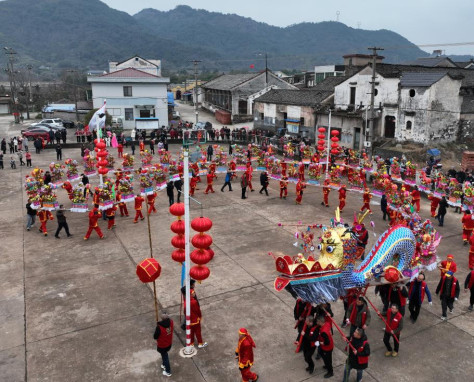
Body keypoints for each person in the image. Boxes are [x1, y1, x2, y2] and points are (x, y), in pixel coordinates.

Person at [153, 312, 174, 377]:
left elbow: (155, 337)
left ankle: (168, 371)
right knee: (164, 355)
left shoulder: (159, 327)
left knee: (165, 357)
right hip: (169, 343)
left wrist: (158, 325)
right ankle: (164, 364)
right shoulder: (171, 322)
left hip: (162, 345)